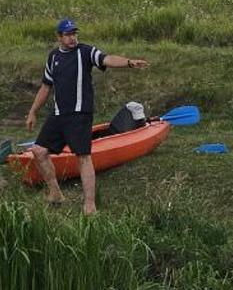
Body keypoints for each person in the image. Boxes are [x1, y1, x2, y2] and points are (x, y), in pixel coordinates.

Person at [24, 18, 149, 215]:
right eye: (68, 34)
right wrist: (32, 112)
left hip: (79, 115)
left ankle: (90, 205)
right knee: (39, 151)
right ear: (59, 37)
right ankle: (55, 193)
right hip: (58, 115)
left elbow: (107, 59)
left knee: (83, 157)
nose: (72, 38)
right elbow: (46, 87)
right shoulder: (53, 57)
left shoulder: (85, 51)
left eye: (74, 33)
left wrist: (128, 63)